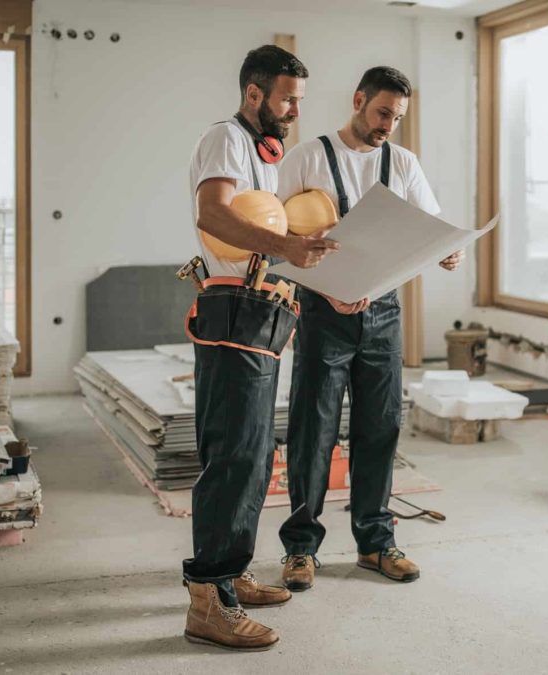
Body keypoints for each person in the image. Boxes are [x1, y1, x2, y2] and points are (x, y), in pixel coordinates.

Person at [276, 66, 463, 590]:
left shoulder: (401, 162)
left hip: (383, 315)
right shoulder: (307, 157)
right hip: (321, 313)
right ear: (358, 100)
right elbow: (275, 237)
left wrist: (449, 251)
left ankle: (376, 543)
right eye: (383, 113)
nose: (388, 125)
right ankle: (300, 549)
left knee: (379, 428)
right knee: (313, 431)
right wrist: (323, 285)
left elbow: (431, 227)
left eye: (397, 118)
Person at [182, 44, 338, 652]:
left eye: (299, 99)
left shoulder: (263, 154)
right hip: (232, 308)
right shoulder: (225, 137)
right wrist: (290, 250)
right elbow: (214, 215)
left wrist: (301, 247)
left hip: (263, 308)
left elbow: (265, 225)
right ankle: (209, 599)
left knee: (254, 454)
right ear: (255, 94)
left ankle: (233, 573)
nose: (295, 110)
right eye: (287, 99)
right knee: (233, 456)